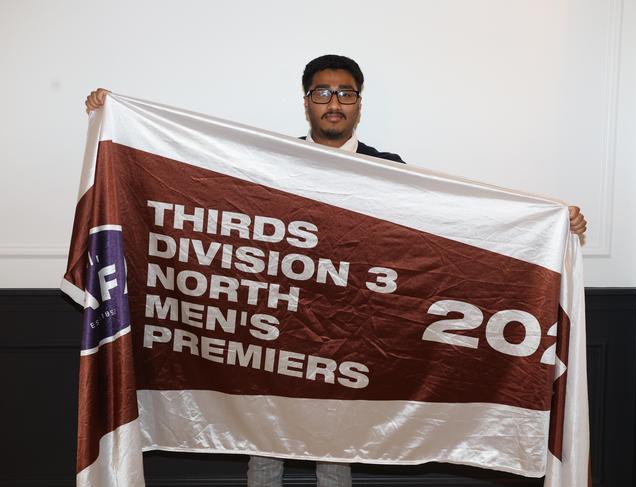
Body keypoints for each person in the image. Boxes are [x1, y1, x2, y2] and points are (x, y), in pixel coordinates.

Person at [84, 54, 587, 487]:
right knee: (262, 440)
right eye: (322, 92)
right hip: (277, 331)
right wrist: (116, 116)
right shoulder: (275, 164)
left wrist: (551, 224)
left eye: (346, 93)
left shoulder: (387, 168)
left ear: (359, 104)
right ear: (306, 101)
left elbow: (449, 222)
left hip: (353, 332)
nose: (334, 102)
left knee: (338, 447)